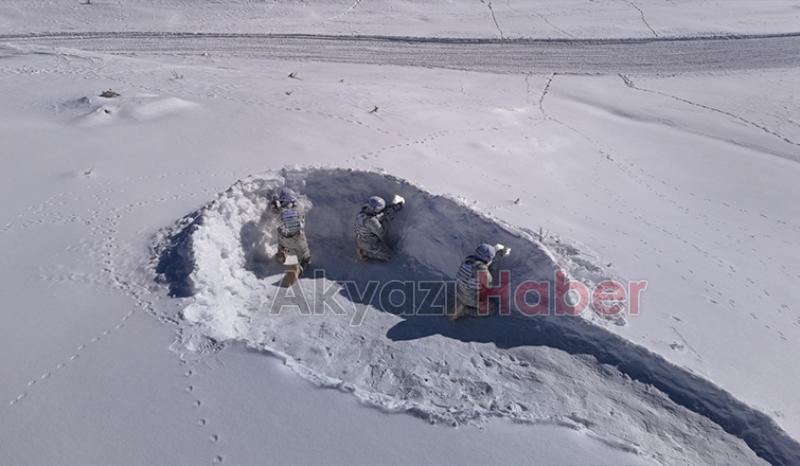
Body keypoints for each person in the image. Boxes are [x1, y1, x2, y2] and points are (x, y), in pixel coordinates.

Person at [450, 242, 511, 321]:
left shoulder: (468, 260)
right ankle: (466, 310)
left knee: (469, 288)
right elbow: (489, 284)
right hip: (471, 298)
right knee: (491, 308)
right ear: (488, 259)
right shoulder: (481, 269)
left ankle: (461, 303)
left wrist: (495, 251)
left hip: (459, 291)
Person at [270, 188, 311, 272]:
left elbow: (279, 212)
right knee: (304, 254)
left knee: (284, 247)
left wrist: (275, 202)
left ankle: (282, 256)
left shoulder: (284, 210)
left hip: (285, 238)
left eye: (282, 202)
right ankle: (302, 266)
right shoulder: (299, 207)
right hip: (298, 237)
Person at [354, 194, 405, 261]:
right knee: (388, 255)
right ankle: (365, 252)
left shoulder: (361, 213)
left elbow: (384, 212)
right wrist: (386, 220)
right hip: (370, 244)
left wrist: (396, 206)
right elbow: (382, 233)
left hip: (360, 239)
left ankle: (363, 248)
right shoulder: (371, 221)